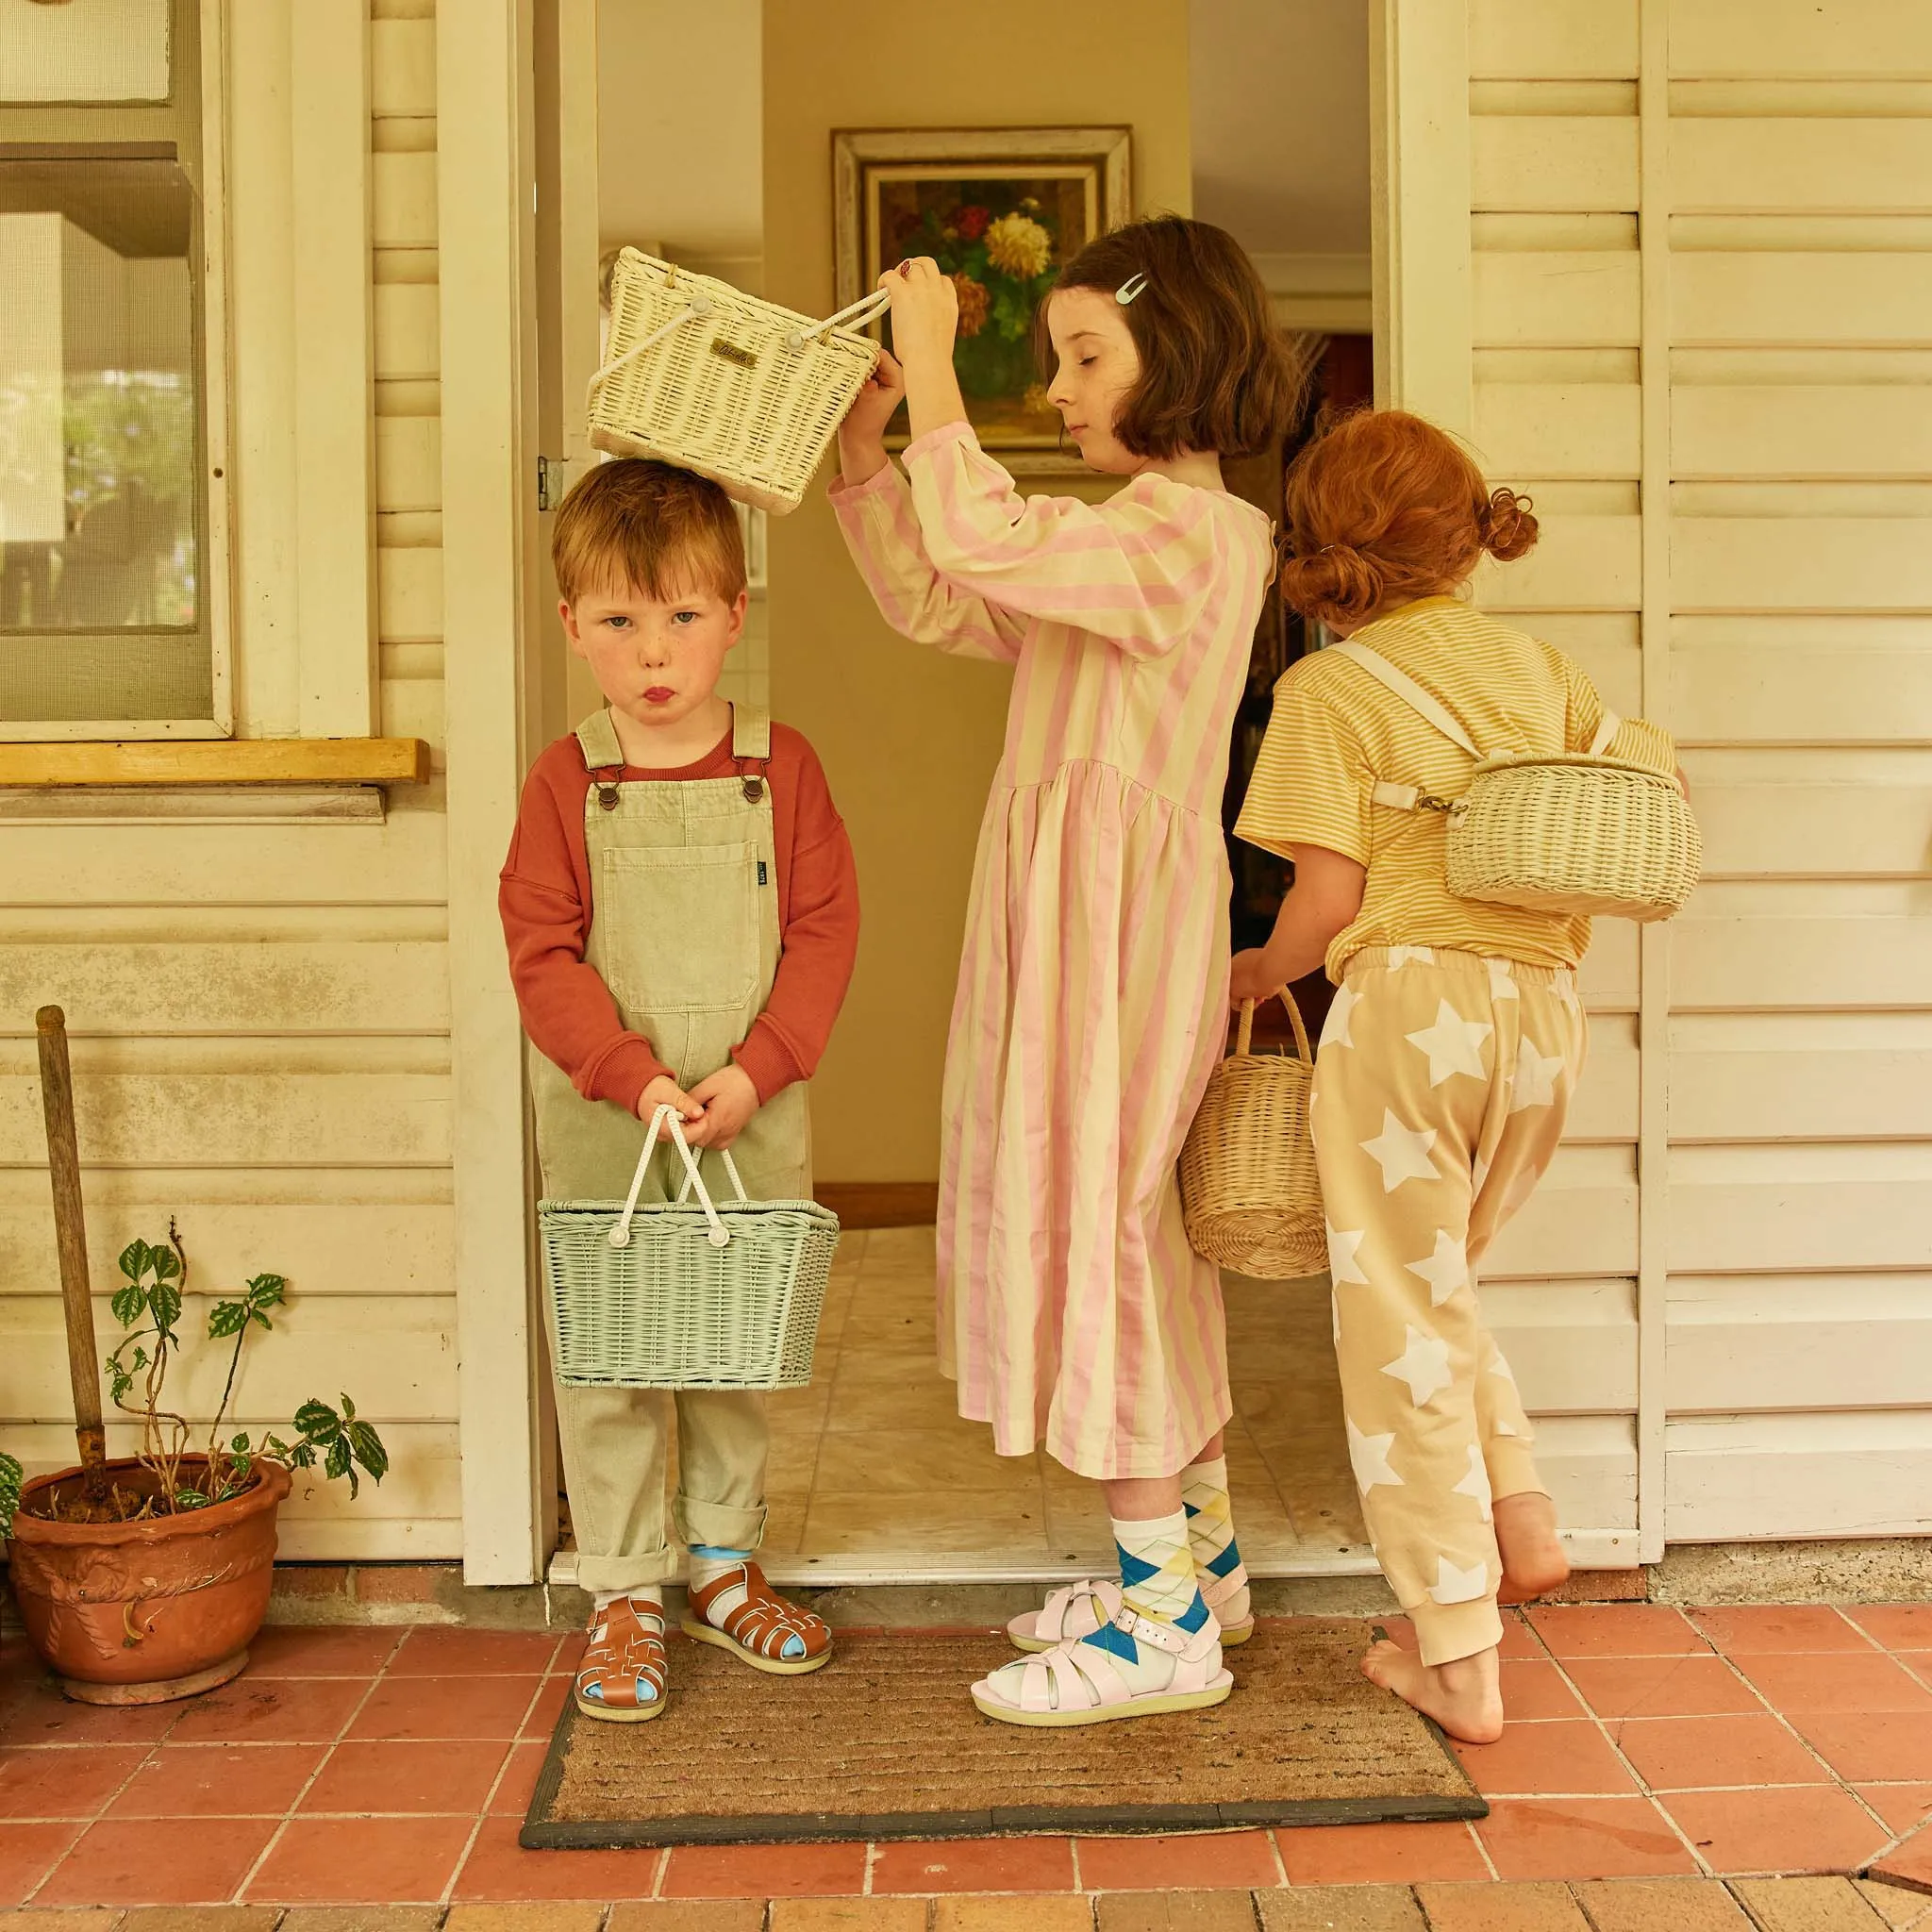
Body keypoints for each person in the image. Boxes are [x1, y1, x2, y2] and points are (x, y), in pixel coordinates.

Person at [831, 216, 1306, 1725]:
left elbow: (991, 537)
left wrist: (930, 366)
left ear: (1191, 352)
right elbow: (946, 592)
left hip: (1117, 931)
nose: (1062, 390)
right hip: (1079, 918)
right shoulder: (1129, 549)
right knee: (1127, 1225)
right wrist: (865, 461)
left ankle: (1162, 1616)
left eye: (1088, 355)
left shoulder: (1190, 532)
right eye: (1055, 363)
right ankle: (1201, 1559)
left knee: (1099, 1221)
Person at [1229, 407, 1685, 1743]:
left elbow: (1325, 901)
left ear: (1327, 547)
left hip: (1410, 1013)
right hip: (1543, 1020)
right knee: (1437, 1288)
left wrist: (1256, 973)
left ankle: (1456, 1651)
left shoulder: (1330, 691)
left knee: (1392, 1327)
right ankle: (1523, 1514)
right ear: (1470, 538)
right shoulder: (1544, 673)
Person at [500, 458, 859, 1722]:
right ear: (572, 627)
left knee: (725, 1342)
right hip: (610, 1113)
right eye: (619, 621)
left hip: (747, 1108)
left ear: (736, 612)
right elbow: (540, 952)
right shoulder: (567, 778)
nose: (655, 653)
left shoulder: (785, 767)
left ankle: (719, 1563)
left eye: (684, 617)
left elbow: (822, 934)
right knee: (608, 1354)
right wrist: (630, 1073)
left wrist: (756, 1074)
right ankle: (622, 1589)